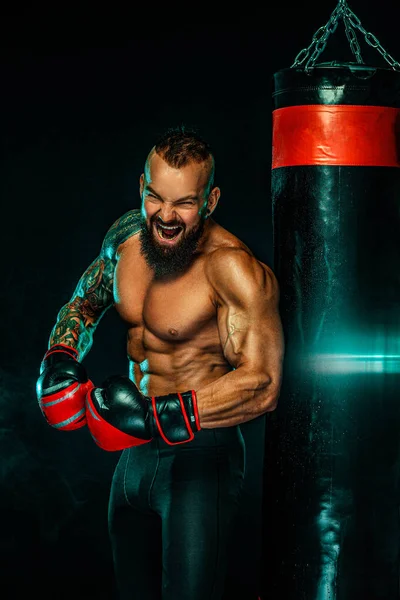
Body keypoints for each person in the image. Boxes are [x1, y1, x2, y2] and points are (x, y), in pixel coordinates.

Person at [36, 126, 285, 600]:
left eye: (184, 204)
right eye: (156, 198)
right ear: (142, 188)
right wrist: (60, 355)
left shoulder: (231, 267)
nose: (166, 217)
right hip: (131, 458)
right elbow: (83, 304)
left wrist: (156, 415)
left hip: (199, 460)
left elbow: (263, 383)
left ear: (210, 201)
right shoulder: (126, 237)